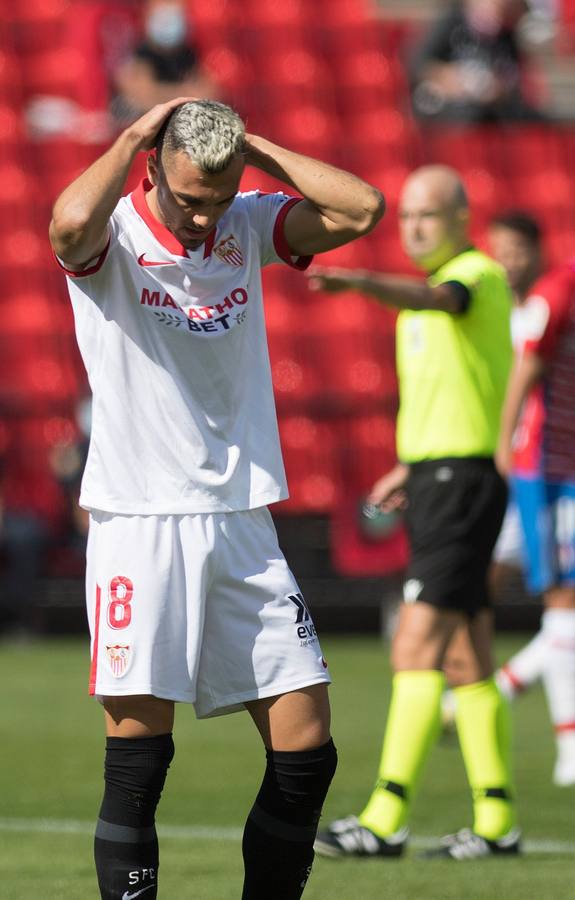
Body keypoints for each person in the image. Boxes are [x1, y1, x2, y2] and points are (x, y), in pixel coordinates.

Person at [49, 97, 384, 899]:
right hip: (139, 521)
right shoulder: (114, 235)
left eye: (217, 197)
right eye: (189, 197)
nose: (203, 217)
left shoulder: (244, 220)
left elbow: (361, 209)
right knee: (138, 759)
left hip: (240, 519)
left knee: (307, 749)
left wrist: (258, 152)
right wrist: (135, 131)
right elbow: (64, 228)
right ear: (153, 167)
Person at [309, 165, 519, 861]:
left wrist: (362, 281)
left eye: (428, 214)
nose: (415, 227)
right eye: (406, 217)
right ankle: (496, 822)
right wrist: (411, 465)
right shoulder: (424, 307)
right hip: (440, 478)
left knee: (414, 645)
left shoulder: (475, 276)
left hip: (461, 483)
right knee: (466, 654)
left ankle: (385, 815)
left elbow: (443, 299)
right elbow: (457, 393)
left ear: (460, 217)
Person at [495, 223, 575, 787]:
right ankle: (572, 753)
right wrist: (506, 443)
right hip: (556, 468)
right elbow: (527, 366)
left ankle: (500, 690)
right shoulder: (562, 291)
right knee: (569, 598)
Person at [441, 210, 544, 698]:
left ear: (536, 254)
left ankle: (475, 691)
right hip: (497, 467)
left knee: (566, 599)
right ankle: (468, 686)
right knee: (480, 587)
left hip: (540, 466)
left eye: (517, 254)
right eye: (499, 254)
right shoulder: (489, 314)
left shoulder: (545, 312)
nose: (508, 265)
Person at [410, 0, 543, 122]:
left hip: (491, 109)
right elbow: (419, 64)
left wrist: (495, 89)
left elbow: (513, 80)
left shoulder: (506, 34)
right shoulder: (451, 21)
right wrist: (459, 81)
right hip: (449, 107)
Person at [112, 0, 220, 125]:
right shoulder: (138, 52)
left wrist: (160, 94)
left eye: (174, 13)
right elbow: (141, 96)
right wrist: (185, 94)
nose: (167, 21)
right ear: (147, 16)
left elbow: (209, 93)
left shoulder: (191, 52)